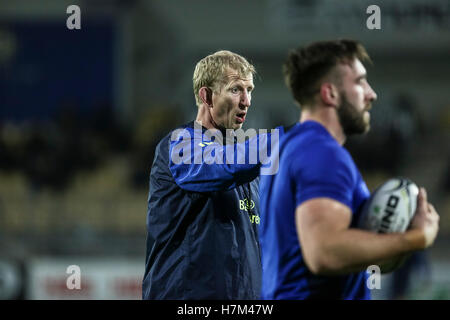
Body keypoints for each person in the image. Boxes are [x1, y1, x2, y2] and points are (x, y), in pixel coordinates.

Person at [258, 39, 440, 300]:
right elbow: (324, 254)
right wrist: (417, 238)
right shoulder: (323, 154)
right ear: (330, 93)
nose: (371, 93)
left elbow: (337, 254)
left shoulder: (285, 148)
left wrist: (393, 244)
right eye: (360, 82)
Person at [142, 50, 282, 299]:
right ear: (206, 96)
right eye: (236, 89)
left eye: (250, 90)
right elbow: (221, 167)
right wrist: (285, 139)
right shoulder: (179, 145)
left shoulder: (246, 162)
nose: (247, 101)